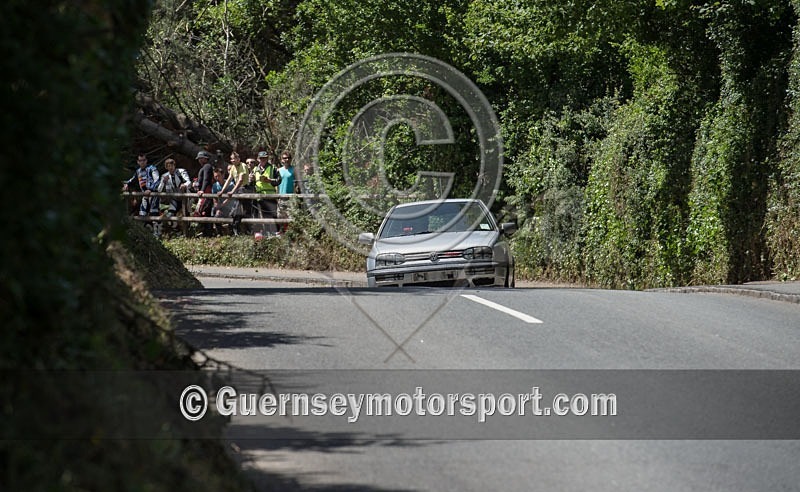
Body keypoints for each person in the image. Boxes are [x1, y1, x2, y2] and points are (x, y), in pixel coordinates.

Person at [123, 153, 161, 237]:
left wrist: (150, 189)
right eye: (140, 160)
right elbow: (132, 180)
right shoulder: (138, 171)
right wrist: (126, 184)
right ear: (138, 162)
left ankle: (157, 233)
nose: (142, 162)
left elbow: (157, 180)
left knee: (154, 212)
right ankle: (145, 234)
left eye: (144, 160)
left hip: (153, 194)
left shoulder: (152, 168)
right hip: (145, 195)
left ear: (146, 161)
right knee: (142, 213)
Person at [219, 151, 252, 234]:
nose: (233, 160)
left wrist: (232, 191)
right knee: (238, 210)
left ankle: (245, 230)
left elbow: (240, 180)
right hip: (238, 189)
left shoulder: (243, 166)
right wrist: (222, 191)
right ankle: (237, 229)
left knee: (241, 209)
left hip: (244, 188)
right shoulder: (233, 167)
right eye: (231, 159)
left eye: (234, 159)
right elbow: (229, 179)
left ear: (238, 159)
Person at [253, 150, 281, 235]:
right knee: (264, 216)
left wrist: (269, 181)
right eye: (261, 158)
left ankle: (277, 232)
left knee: (273, 215)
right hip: (260, 196)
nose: (263, 160)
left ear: (267, 158)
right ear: (258, 159)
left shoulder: (273, 168)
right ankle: (268, 233)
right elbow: (251, 183)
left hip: (270, 195)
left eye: (265, 158)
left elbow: (279, 180)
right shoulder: (255, 169)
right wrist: (251, 180)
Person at [194, 150, 215, 236]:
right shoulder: (204, 167)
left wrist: (202, 190)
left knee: (203, 211)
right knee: (204, 212)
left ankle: (208, 233)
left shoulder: (207, 166)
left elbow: (206, 179)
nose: (199, 160)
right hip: (204, 191)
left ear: (205, 158)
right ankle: (205, 232)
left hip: (207, 191)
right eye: (198, 159)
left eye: (201, 158)